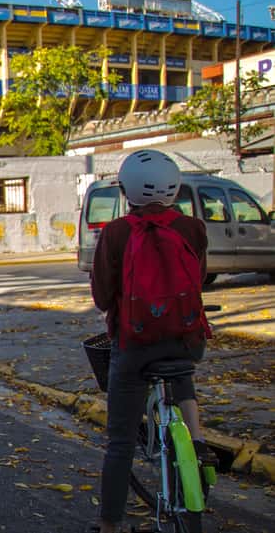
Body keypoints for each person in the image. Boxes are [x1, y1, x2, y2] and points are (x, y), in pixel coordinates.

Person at [90, 149, 216, 533]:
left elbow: (101, 296)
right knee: (180, 358)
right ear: (174, 186)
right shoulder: (193, 228)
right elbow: (198, 280)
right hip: (186, 342)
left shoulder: (116, 232)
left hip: (135, 345)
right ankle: (195, 439)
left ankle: (110, 525)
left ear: (126, 189)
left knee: (121, 441)